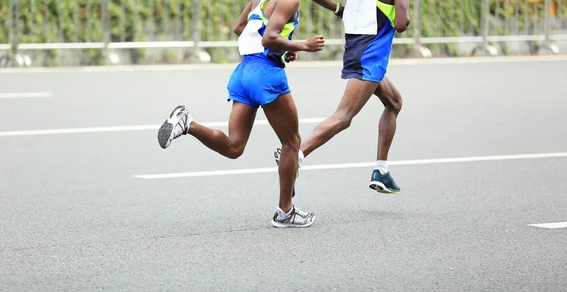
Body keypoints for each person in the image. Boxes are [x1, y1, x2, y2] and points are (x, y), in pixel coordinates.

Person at [156, 0, 325, 228]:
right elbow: (268, 38)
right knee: (292, 142)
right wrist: (302, 45)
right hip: (265, 74)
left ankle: (188, 123)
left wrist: (284, 50)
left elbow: (240, 28)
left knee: (234, 146)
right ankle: (285, 211)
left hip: (244, 71)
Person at [275, 0, 410, 194]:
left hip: (358, 49)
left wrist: (338, 9)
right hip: (370, 55)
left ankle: (381, 170)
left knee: (394, 102)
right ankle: (295, 154)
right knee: (343, 117)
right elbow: (400, 24)